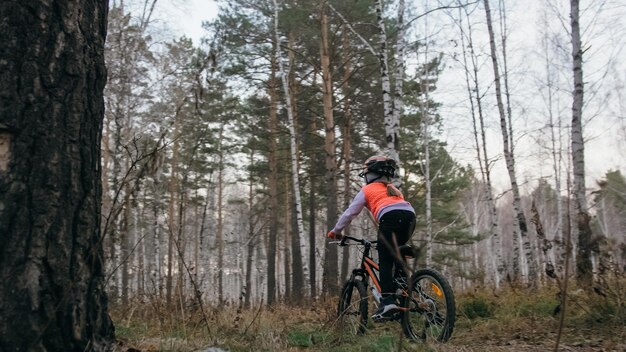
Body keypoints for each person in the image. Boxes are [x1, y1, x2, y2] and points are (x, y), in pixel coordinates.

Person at [327, 155, 416, 320]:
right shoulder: (394, 190)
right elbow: (399, 209)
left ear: (372, 173)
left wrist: (336, 231)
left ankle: (388, 301)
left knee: (384, 257)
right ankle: (402, 289)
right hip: (410, 218)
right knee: (395, 251)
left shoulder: (367, 190)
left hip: (389, 218)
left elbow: (350, 213)